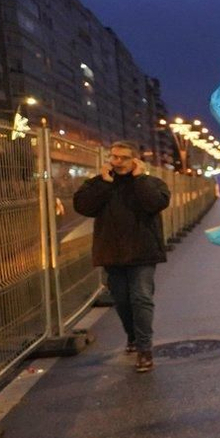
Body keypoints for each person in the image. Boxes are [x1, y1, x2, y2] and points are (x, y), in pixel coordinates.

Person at [72, 141, 170, 373]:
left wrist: (139, 179)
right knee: (123, 301)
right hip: (112, 253)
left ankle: (144, 349)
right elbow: (83, 206)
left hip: (143, 252)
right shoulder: (99, 184)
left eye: (124, 158)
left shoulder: (150, 183)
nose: (118, 162)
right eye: (114, 157)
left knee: (141, 298)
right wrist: (104, 183)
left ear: (135, 160)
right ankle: (133, 337)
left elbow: (155, 203)